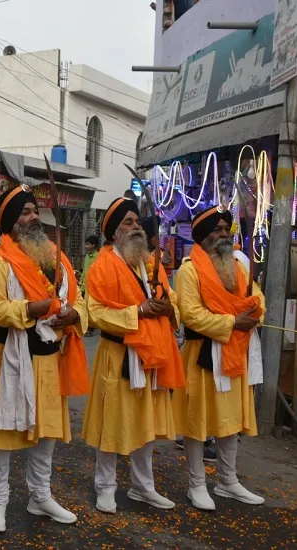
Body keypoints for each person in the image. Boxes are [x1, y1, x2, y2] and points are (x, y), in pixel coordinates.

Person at [0, 185, 89, 532]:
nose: (33, 217)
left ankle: (40, 495)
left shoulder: (58, 259)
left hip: (51, 358)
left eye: (34, 210)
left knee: (47, 432)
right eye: (24, 212)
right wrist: (31, 308)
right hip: (13, 357)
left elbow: (80, 299)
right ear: (11, 223)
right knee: (5, 432)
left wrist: (74, 316)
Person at [82, 197, 185, 514]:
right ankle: (105, 488)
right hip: (118, 353)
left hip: (152, 354)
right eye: (127, 222)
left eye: (137, 222)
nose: (135, 226)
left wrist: (170, 309)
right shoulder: (102, 266)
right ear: (114, 232)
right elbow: (95, 313)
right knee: (111, 423)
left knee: (147, 421)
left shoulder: (150, 263)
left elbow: (173, 302)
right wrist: (136, 311)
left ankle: (143, 487)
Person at [172, 205, 265, 511]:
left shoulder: (237, 267)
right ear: (202, 237)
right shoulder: (188, 269)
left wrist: (254, 315)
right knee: (197, 423)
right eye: (217, 229)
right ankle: (196, 485)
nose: (224, 234)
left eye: (227, 229)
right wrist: (232, 322)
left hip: (234, 352)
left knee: (230, 420)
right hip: (202, 356)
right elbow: (191, 314)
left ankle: (228, 481)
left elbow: (256, 297)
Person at [80, 235, 99, 336]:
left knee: (90, 306)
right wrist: (81, 282)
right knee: (84, 306)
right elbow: (84, 271)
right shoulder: (87, 256)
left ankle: (90, 328)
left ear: (94, 245)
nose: (86, 246)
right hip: (84, 285)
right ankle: (87, 325)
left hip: (93, 287)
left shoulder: (98, 256)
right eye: (86, 244)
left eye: (88, 244)